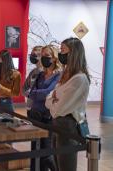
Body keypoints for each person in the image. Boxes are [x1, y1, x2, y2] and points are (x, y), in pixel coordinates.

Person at [45, 37, 90, 171]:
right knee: (57, 165)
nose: (61, 54)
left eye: (63, 50)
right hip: (57, 125)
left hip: (68, 127)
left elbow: (59, 109)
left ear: (74, 53)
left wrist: (54, 99)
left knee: (66, 166)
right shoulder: (66, 75)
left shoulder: (80, 79)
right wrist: (54, 99)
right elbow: (48, 100)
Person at [27, 45, 60, 171]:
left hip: (47, 118)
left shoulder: (58, 76)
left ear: (55, 58)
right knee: (34, 149)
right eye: (43, 55)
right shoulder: (40, 74)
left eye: (48, 56)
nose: (44, 58)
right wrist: (37, 93)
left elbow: (48, 93)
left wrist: (35, 93)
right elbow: (32, 91)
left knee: (46, 152)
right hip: (35, 116)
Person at [0, 49, 21, 113]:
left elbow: (16, 93)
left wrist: (2, 88)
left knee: (7, 122)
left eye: (1, 57)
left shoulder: (16, 74)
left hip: (5, 103)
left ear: (7, 59)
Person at [23, 46, 43, 110]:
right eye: (31, 54)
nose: (32, 57)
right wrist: (30, 95)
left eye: (34, 55)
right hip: (30, 107)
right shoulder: (33, 72)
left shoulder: (48, 72)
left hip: (42, 108)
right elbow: (24, 88)